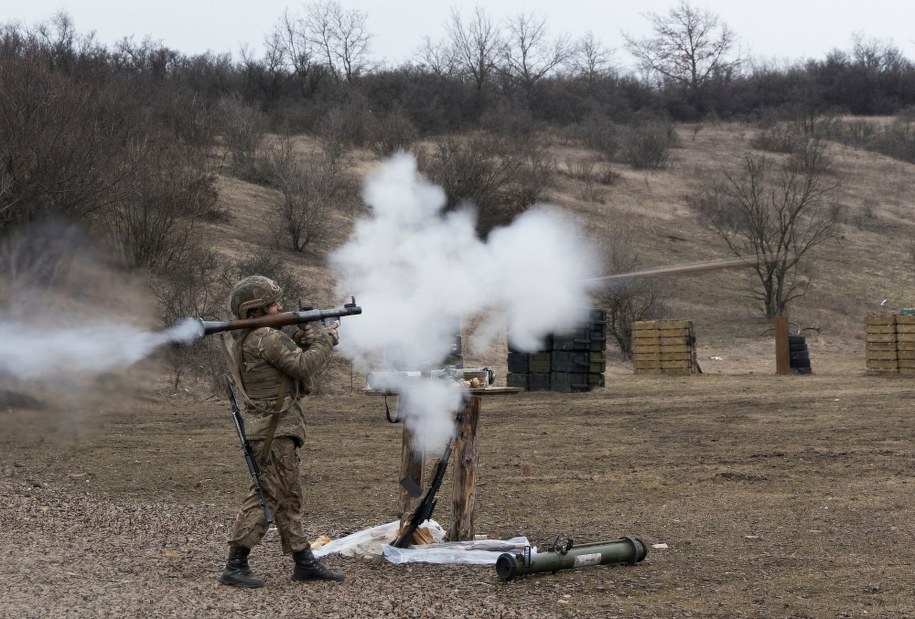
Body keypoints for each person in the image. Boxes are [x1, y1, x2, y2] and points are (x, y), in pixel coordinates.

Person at [218, 275, 343, 588]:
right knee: (269, 495)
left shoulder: (252, 338)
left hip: (270, 429)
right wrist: (325, 339)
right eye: (273, 304)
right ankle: (236, 563)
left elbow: (286, 364)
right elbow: (302, 367)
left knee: (287, 495)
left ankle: (304, 561)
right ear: (256, 310)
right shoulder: (266, 338)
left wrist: (304, 339)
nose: (280, 307)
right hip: (274, 430)